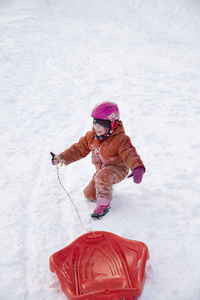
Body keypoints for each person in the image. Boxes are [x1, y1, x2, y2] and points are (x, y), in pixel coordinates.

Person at [51, 101, 145, 218]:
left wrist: (138, 168)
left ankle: (104, 205)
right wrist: (62, 158)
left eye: (101, 125)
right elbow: (78, 149)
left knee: (103, 176)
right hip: (101, 171)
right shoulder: (91, 137)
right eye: (95, 124)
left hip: (118, 169)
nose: (97, 128)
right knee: (89, 194)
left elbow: (130, 153)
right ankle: (104, 189)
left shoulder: (120, 139)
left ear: (112, 124)